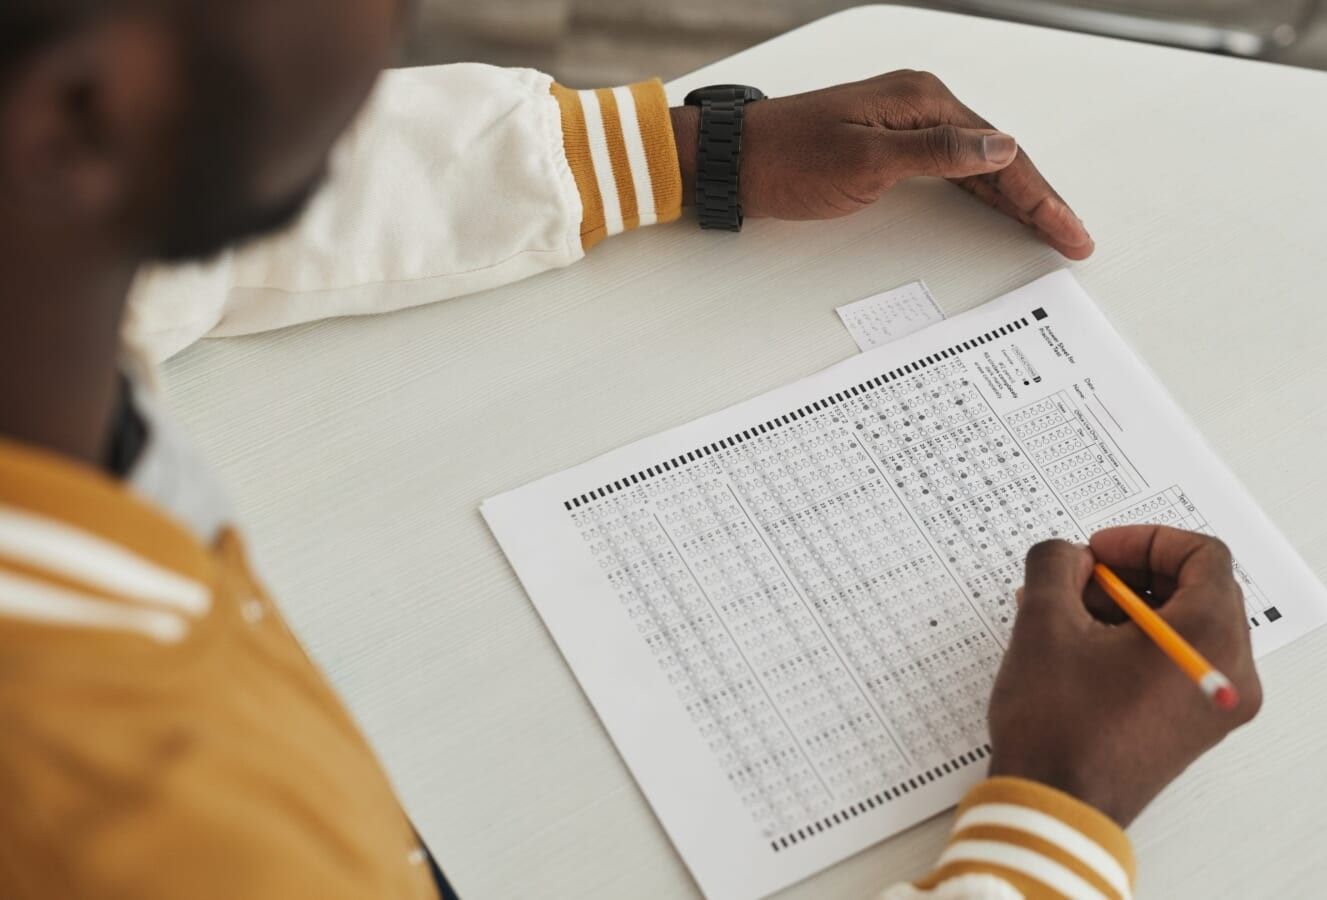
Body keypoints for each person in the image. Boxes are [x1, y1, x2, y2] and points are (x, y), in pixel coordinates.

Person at [0, 2, 1262, 898]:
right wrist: (1059, 821)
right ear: (82, 107)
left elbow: (182, 223)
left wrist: (683, 151)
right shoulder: (138, 829)